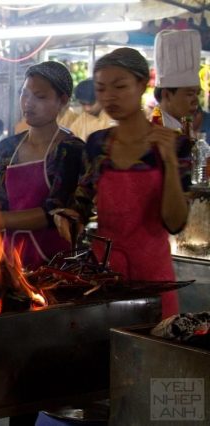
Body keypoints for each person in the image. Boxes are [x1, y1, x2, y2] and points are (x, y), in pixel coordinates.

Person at [55, 48, 191, 319]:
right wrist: (67, 217)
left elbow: (175, 223)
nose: (109, 97)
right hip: (105, 278)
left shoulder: (173, 144)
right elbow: (81, 202)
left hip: (154, 277)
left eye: (119, 86)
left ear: (142, 84)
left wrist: (171, 166)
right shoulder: (98, 144)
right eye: (101, 89)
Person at [0, 62, 85, 270]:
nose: (28, 103)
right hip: (10, 260)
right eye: (24, 94)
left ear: (62, 100)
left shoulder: (70, 149)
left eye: (40, 97)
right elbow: (1, 204)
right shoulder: (7, 148)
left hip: (54, 264)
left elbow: (55, 213)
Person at [152, 30, 202, 131]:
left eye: (197, 93)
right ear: (166, 95)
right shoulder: (160, 136)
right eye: (189, 94)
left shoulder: (181, 129)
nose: (196, 101)